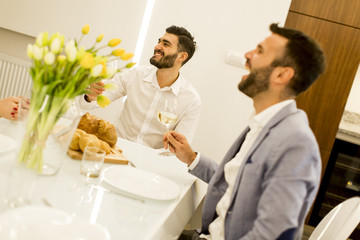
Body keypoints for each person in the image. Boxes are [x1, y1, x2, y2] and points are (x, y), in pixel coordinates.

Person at [165, 23, 326, 240]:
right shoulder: (263, 126)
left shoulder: (295, 142)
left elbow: (273, 234)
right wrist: (191, 158)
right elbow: (236, 186)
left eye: (259, 51)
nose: (247, 55)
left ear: (281, 74)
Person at [80, 25, 201, 149]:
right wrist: (91, 96)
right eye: (159, 42)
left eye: (166, 44)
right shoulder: (135, 75)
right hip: (117, 150)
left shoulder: (191, 100)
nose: (157, 46)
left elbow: (178, 148)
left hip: (151, 162)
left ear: (182, 56)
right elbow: (88, 103)